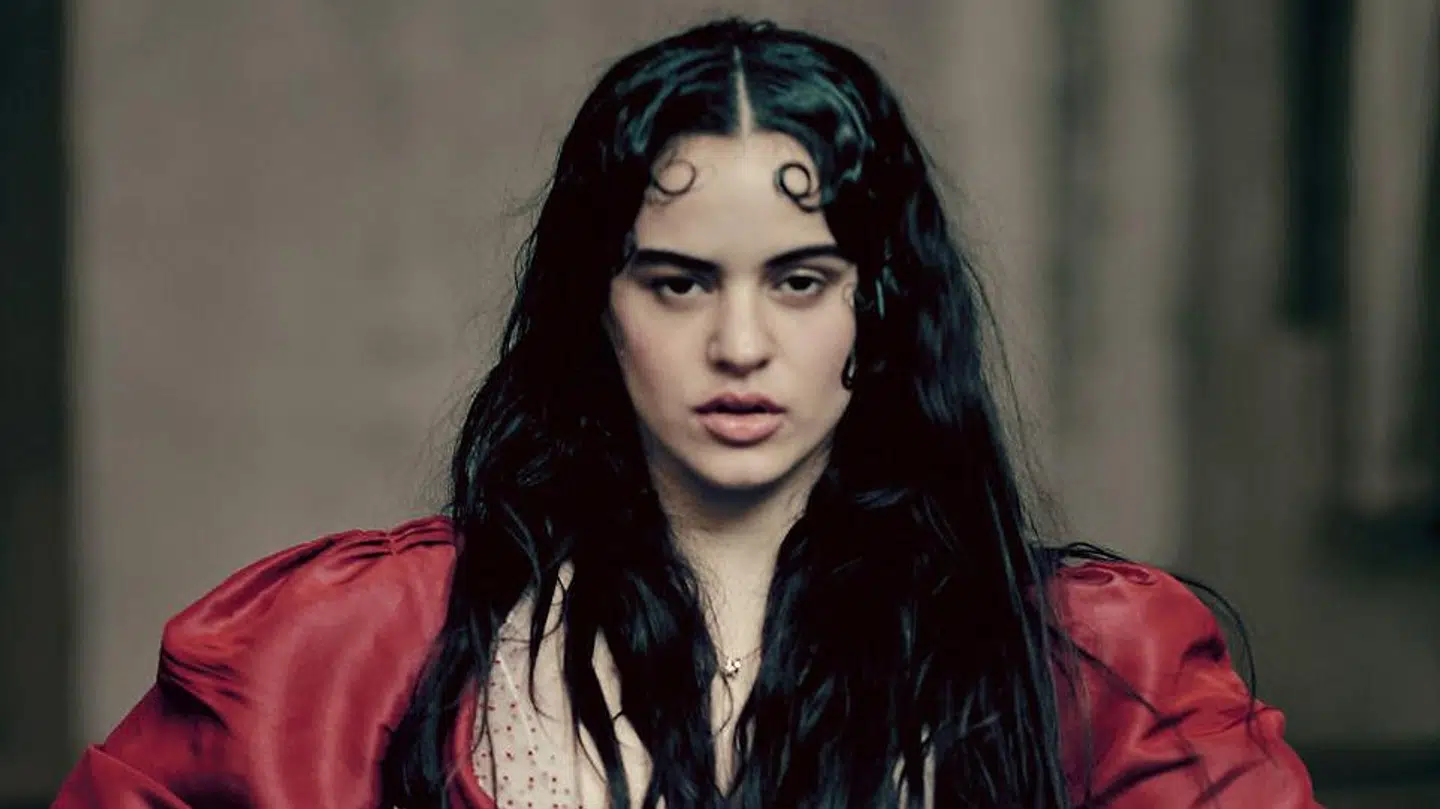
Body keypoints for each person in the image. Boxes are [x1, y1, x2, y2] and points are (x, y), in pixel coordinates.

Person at [53, 17, 1321, 809]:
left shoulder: (1098, 663)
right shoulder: (342, 652)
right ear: (595, 304)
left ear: (882, 305)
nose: (740, 343)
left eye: (801, 280)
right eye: (678, 281)